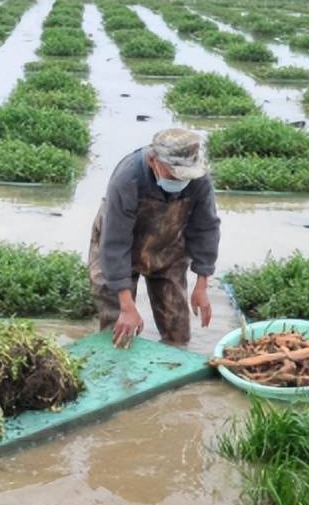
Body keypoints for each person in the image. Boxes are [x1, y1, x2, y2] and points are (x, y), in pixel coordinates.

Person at [89, 128, 221, 349]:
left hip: (167, 248)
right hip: (118, 250)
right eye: (174, 173)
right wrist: (126, 305)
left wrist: (202, 283)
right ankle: (120, 377)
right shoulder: (127, 178)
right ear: (153, 161)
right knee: (119, 329)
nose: (181, 179)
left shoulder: (198, 179)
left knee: (178, 336)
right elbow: (115, 243)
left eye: (185, 175)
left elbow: (206, 227)